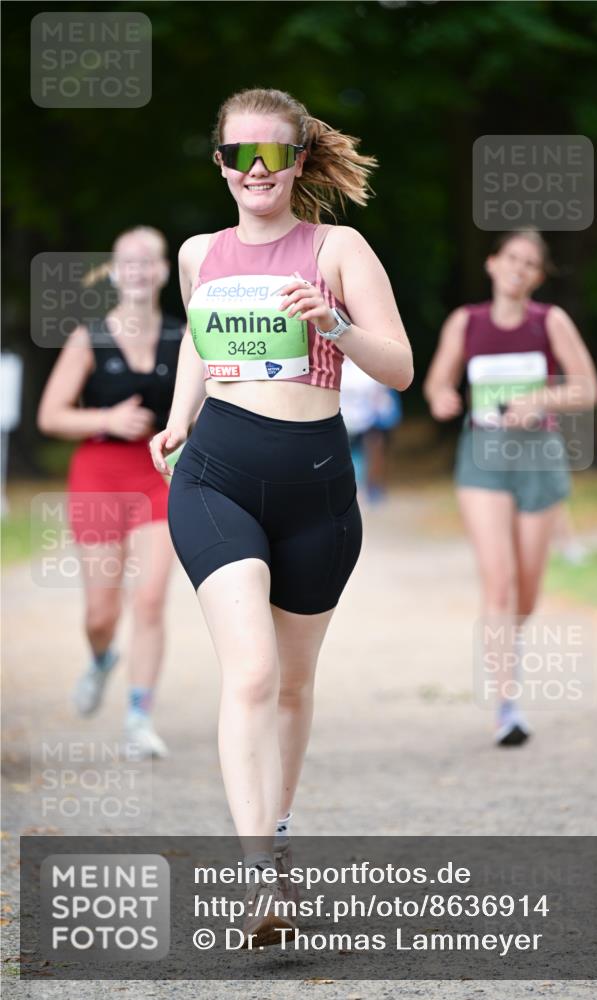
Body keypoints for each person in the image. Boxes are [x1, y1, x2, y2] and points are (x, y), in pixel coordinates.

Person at [148, 87, 412, 945]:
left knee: (293, 685)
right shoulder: (199, 253)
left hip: (318, 491)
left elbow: (401, 366)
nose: (255, 172)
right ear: (220, 163)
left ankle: (280, 833)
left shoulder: (337, 248)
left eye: (272, 155)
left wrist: (333, 322)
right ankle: (258, 874)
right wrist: (181, 415)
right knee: (253, 672)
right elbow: (196, 336)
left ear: (298, 159)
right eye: (238, 156)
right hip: (216, 475)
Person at [424, 229, 597, 747]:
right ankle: (506, 706)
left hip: (538, 460)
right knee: (497, 583)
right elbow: (437, 381)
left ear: (538, 277)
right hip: (484, 459)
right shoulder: (467, 321)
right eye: (512, 259)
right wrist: (440, 400)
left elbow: (586, 388)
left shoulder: (550, 321)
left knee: (525, 592)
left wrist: (541, 400)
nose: (519, 269)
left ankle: (508, 657)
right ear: (493, 264)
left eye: (530, 264)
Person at [37, 226, 183, 758]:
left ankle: (139, 718)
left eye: (148, 260)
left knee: (149, 600)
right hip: (99, 473)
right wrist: (108, 417)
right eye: (128, 261)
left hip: (158, 475)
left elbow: (206, 405)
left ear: (164, 271)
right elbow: (50, 416)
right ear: (115, 272)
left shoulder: (184, 336)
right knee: (101, 614)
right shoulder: (88, 337)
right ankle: (101, 660)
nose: (139, 269)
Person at [339, 357, 403, 503]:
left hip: (366, 421)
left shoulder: (367, 366)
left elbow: (381, 396)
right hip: (342, 421)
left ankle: (369, 488)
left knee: (370, 454)